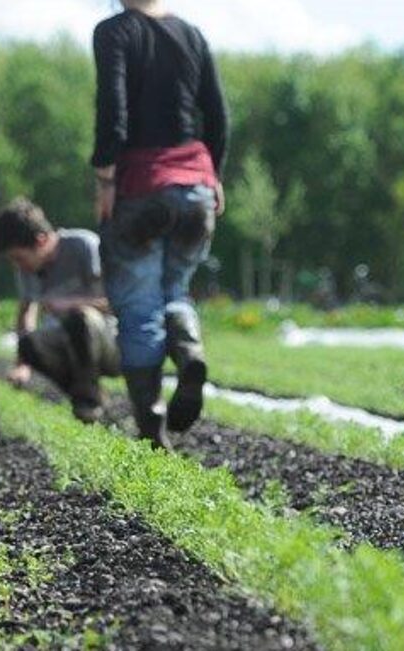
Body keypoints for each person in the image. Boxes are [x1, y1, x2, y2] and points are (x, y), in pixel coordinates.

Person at [92, 0, 229, 447]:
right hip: (196, 192)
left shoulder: (114, 32)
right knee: (174, 290)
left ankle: (152, 425)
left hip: (143, 187)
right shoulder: (192, 34)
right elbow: (218, 115)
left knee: (138, 307)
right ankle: (189, 353)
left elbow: (113, 109)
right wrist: (215, 177)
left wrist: (106, 178)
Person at [0, 198, 119, 424]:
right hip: (67, 343)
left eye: (19, 258)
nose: (17, 266)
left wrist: (69, 304)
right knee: (29, 343)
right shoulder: (27, 268)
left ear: (41, 241)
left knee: (79, 318)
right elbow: (26, 312)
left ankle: (88, 402)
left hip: (109, 340)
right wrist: (22, 365)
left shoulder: (83, 245)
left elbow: (117, 301)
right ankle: (87, 395)